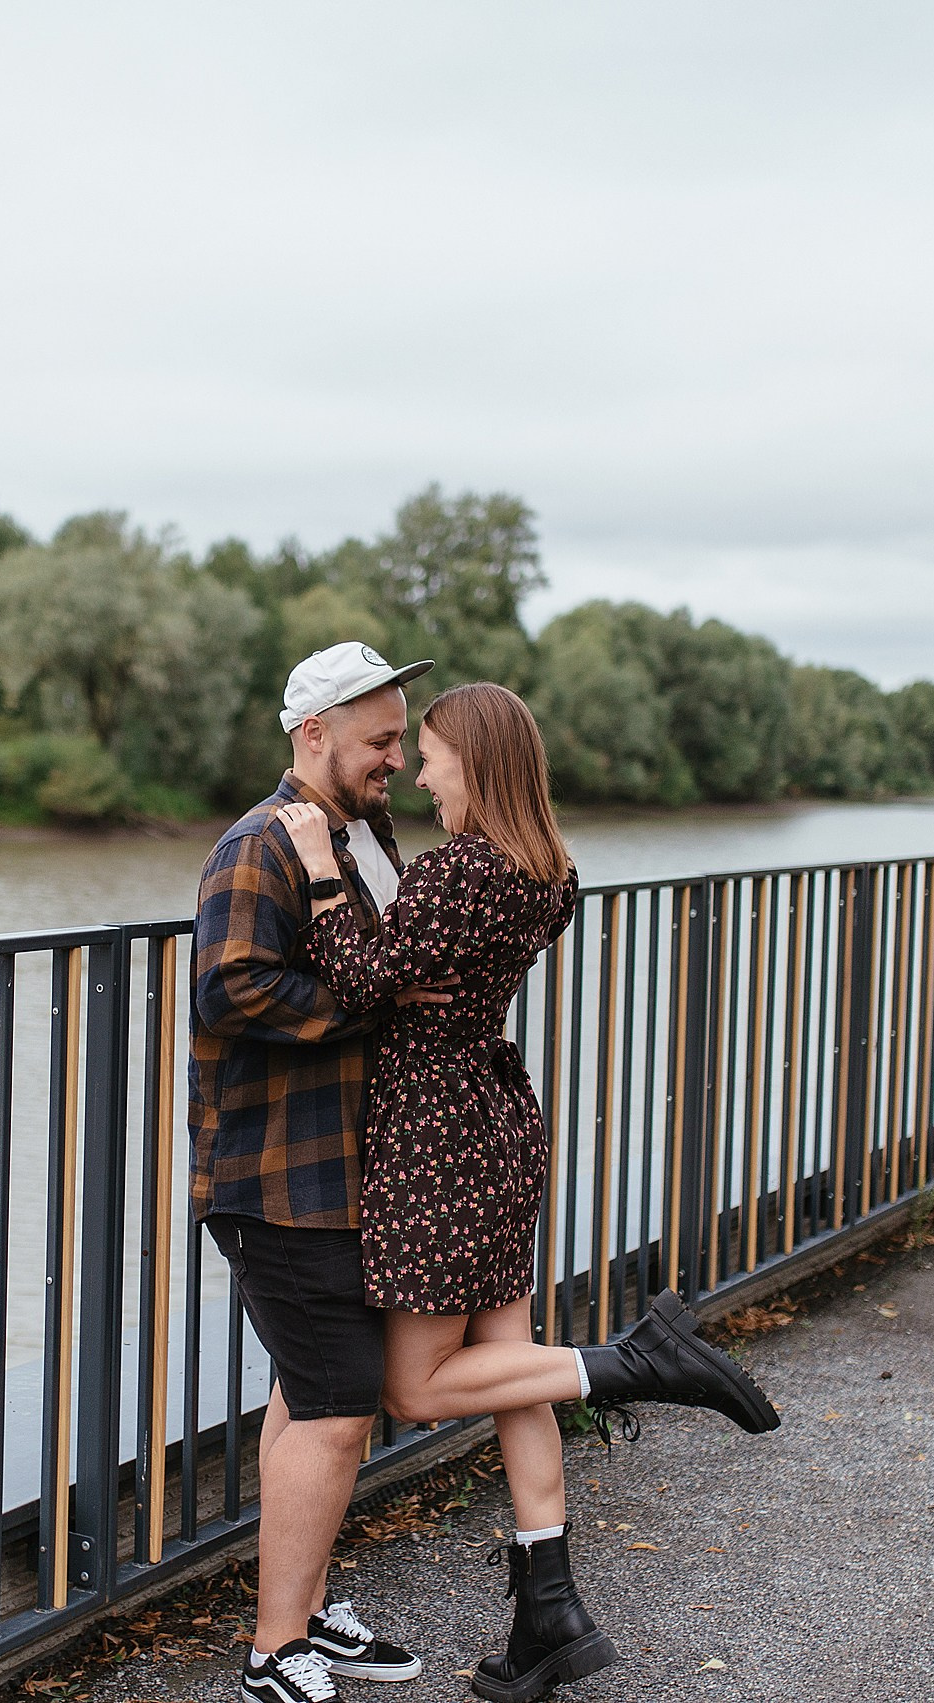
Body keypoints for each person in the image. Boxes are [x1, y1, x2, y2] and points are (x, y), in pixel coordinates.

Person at [274, 681, 781, 1703]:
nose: (418, 772)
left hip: (432, 1137)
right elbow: (417, 962)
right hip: (497, 1116)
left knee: (419, 1385)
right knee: (512, 1371)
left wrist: (326, 871)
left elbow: (366, 980)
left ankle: (632, 1360)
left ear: (477, 758)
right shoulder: (550, 870)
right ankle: (548, 1607)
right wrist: (396, 933)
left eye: (432, 755)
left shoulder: (461, 869)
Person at [192, 641, 446, 1703]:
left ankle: (302, 1610)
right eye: (379, 738)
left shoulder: (361, 833)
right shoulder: (260, 843)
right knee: (342, 1403)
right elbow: (233, 987)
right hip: (275, 1175)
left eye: (401, 737)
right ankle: (271, 1649)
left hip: (344, 1170)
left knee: (310, 1396)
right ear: (314, 734)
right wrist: (378, 1005)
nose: (395, 755)